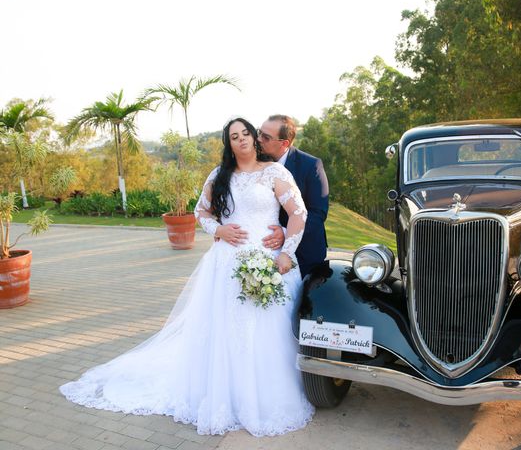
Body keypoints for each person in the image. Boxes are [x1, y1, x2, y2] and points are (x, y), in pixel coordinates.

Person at [60, 117, 314, 436]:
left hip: (267, 259)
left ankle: (264, 395)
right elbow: (200, 212)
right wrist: (218, 228)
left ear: (255, 138)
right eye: (234, 136)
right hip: (226, 263)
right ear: (229, 143)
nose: (243, 139)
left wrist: (287, 253)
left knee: (265, 331)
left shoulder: (276, 172)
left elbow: (298, 213)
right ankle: (225, 395)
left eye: (246, 133)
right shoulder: (219, 175)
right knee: (225, 331)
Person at [259, 115, 329, 277]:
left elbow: (318, 213)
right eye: (259, 133)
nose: (259, 139)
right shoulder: (255, 163)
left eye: (266, 137)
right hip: (265, 249)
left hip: (304, 252)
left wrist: (285, 233)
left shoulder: (311, 166)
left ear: (285, 143)